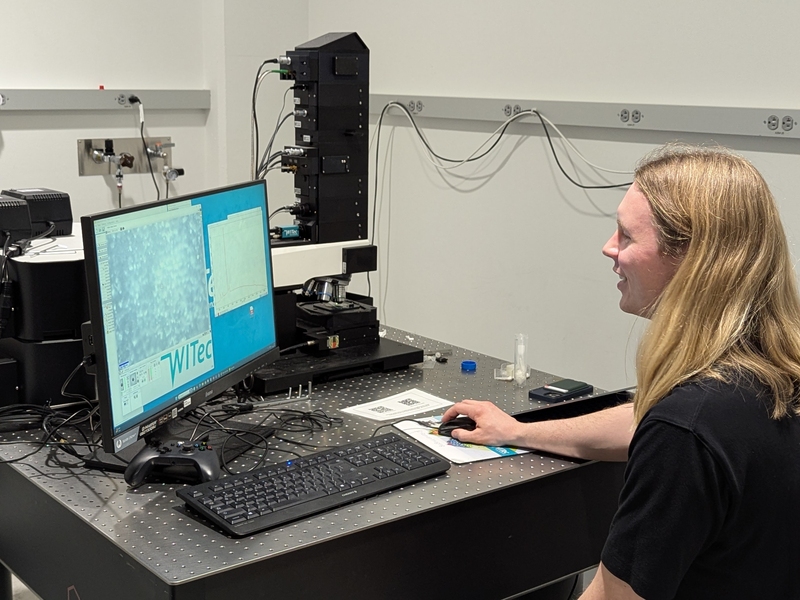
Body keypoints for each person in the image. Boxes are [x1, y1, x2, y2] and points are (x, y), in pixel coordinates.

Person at [441, 143, 800, 599]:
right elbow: (646, 421)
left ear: (693, 259)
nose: (609, 248)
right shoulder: (765, 377)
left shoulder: (687, 429)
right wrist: (517, 431)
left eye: (626, 236)